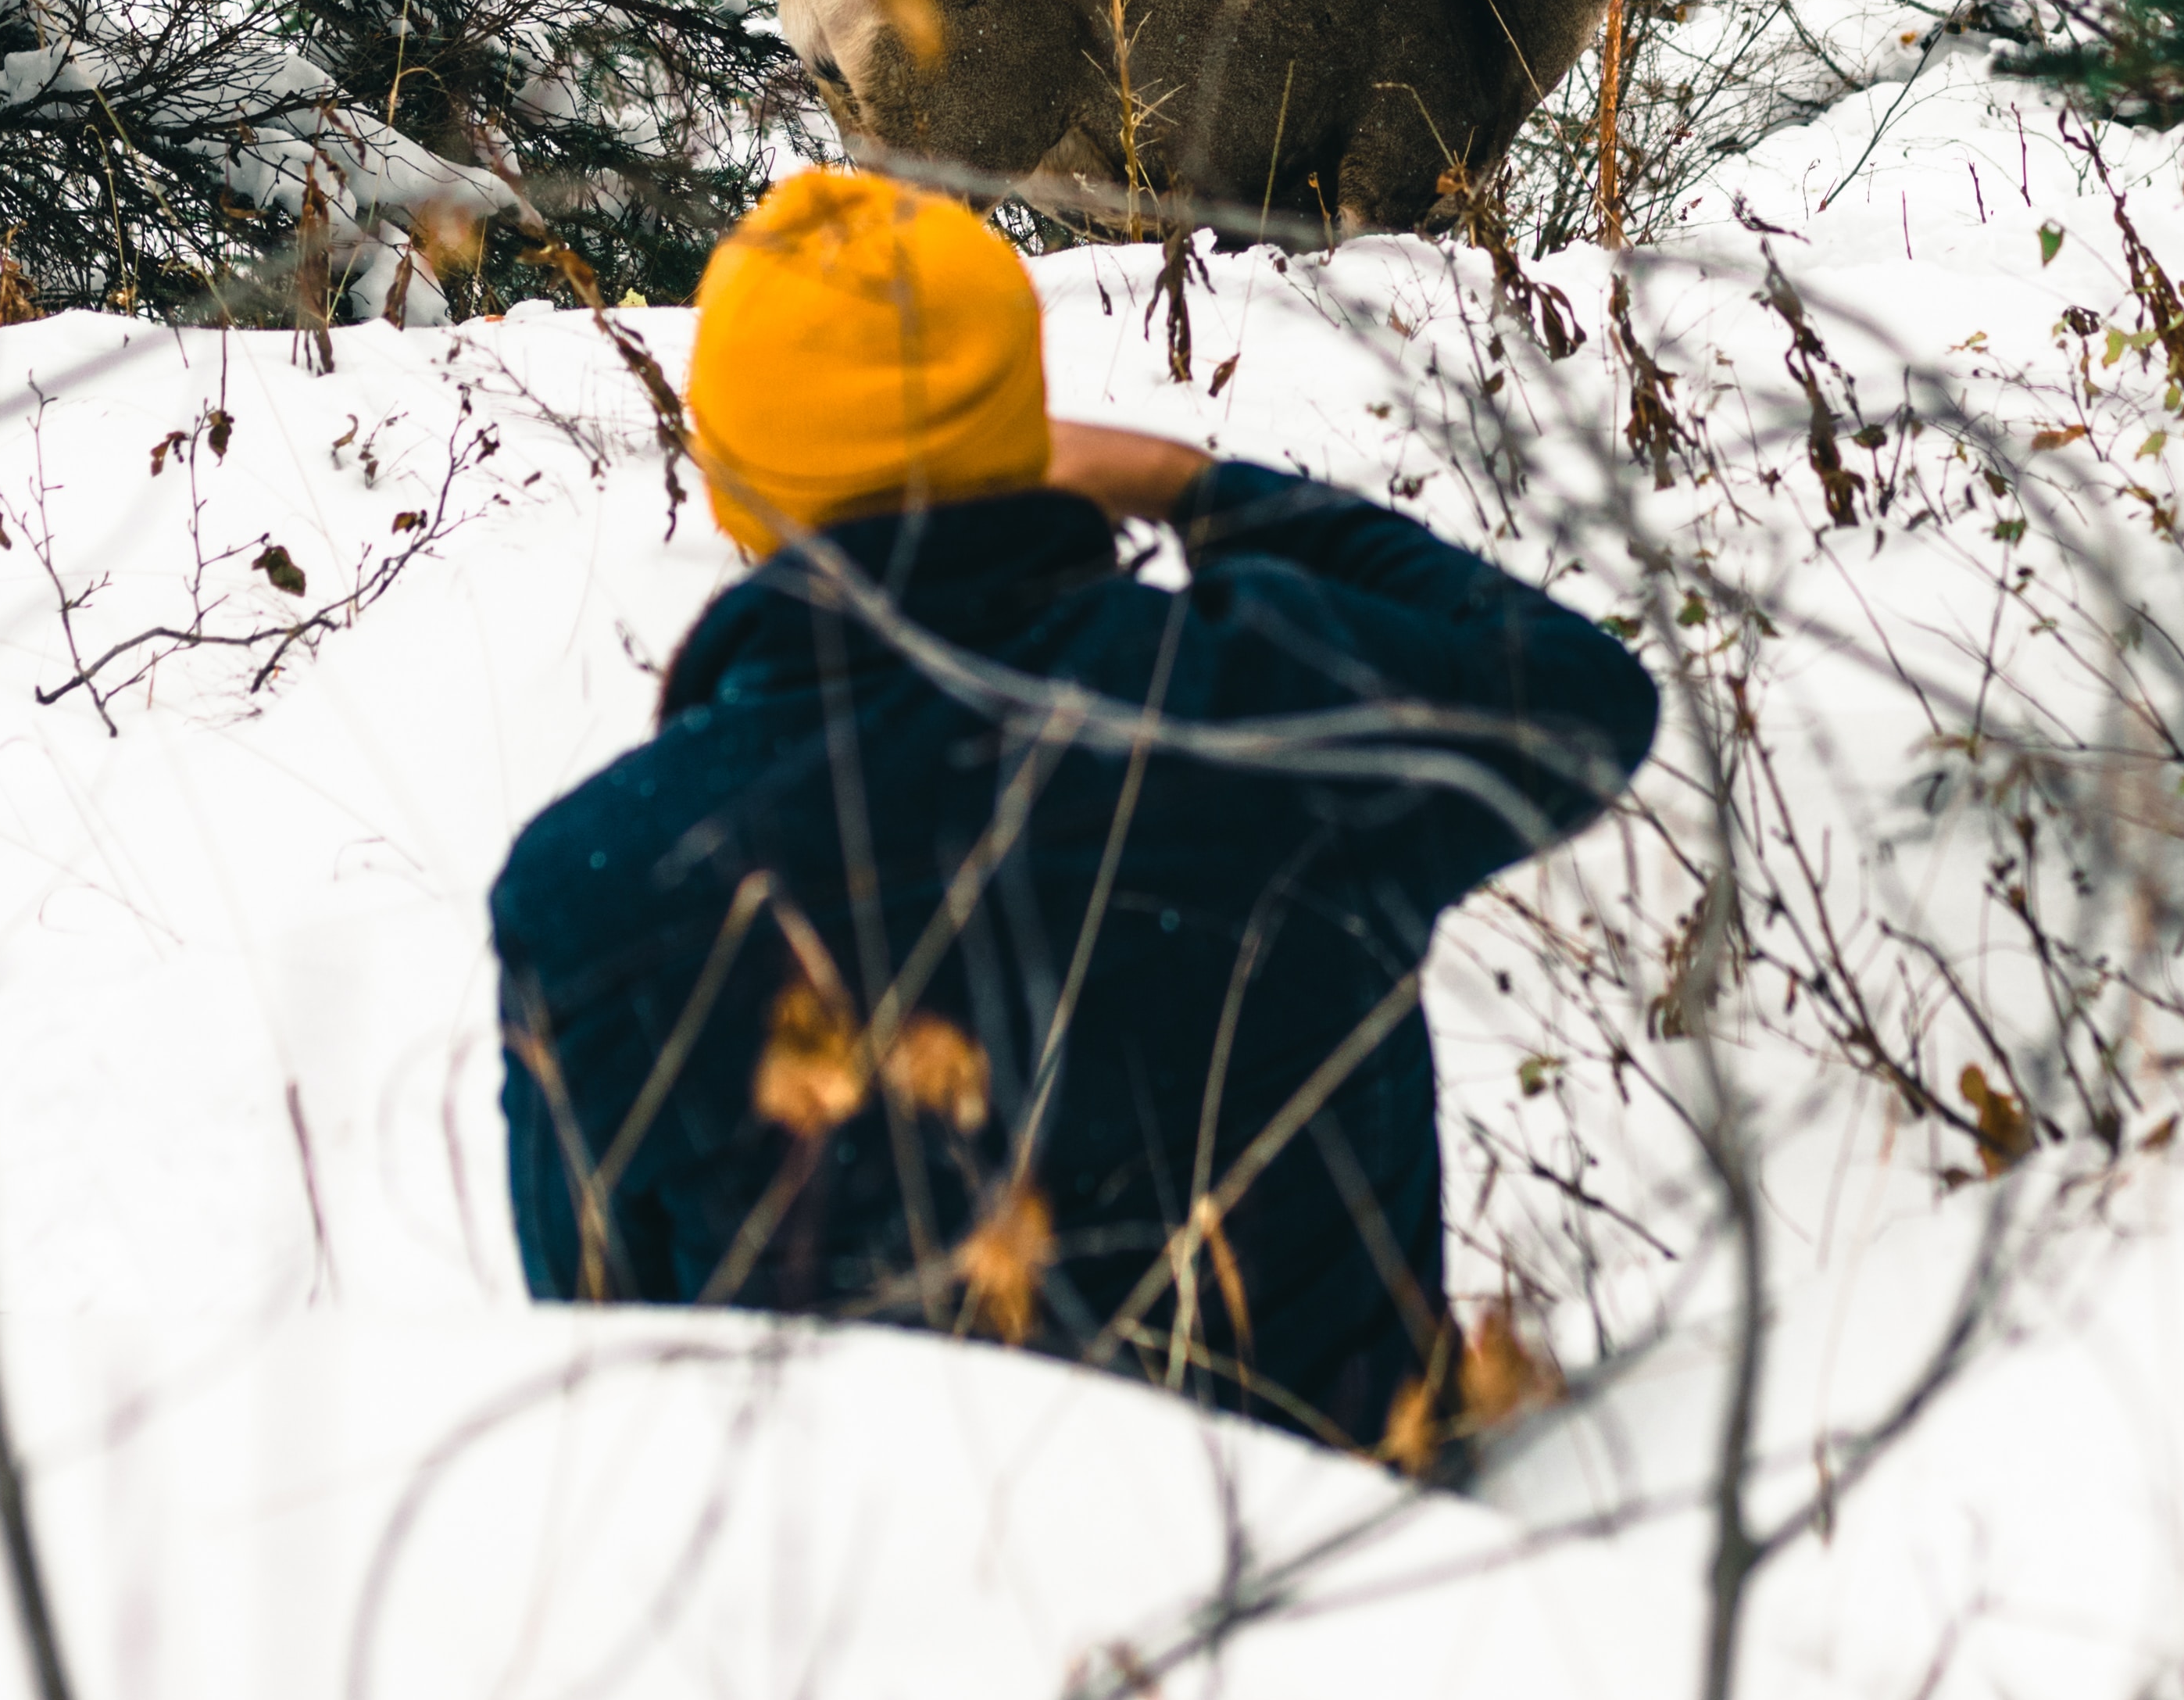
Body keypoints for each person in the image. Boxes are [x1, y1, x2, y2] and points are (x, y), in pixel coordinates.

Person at [489, 170, 1658, 1456]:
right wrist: (1197, 490)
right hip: (1351, 1569)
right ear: (1024, 427)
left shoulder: (591, 888)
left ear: (728, 481)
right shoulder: (1260, 707)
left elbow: (603, 1364)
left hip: (861, 1623)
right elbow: (1579, 696)